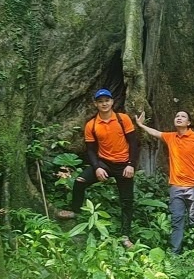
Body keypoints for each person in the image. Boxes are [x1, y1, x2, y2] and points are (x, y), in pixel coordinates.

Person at [56, 88, 139, 247]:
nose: (104, 104)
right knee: (79, 181)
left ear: (112, 102)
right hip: (104, 163)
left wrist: (131, 164)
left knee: (127, 201)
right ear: (96, 104)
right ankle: (76, 210)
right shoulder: (92, 125)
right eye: (100, 101)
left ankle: (125, 236)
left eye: (107, 100)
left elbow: (134, 143)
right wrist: (97, 168)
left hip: (123, 165)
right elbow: (91, 150)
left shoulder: (123, 119)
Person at [135, 109, 194, 254]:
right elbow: (156, 133)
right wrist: (140, 125)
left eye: (183, 116)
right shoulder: (171, 137)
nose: (179, 118)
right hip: (176, 187)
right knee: (177, 221)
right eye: (177, 116)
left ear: (188, 123)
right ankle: (175, 253)